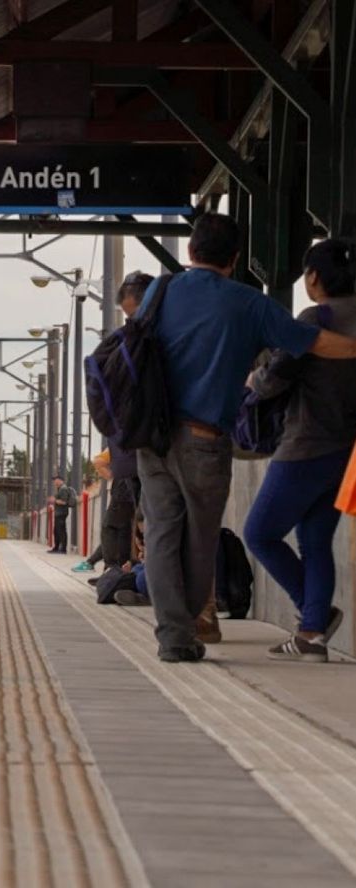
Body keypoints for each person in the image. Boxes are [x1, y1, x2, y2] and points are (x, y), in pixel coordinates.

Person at [135, 213, 356, 663]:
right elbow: (310, 342)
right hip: (209, 438)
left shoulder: (159, 290)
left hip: (153, 436)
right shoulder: (249, 302)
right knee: (202, 539)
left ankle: (174, 635)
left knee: (163, 535)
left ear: (192, 250)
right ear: (235, 259)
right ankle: (302, 628)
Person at [242, 240, 356, 662]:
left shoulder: (316, 318)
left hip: (305, 446)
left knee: (259, 533)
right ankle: (310, 637)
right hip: (345, 454)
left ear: (313, 278)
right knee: (314, 540)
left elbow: (274, 380)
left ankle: (317, 615)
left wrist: (254, 380)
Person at [73, 272, 152, 575]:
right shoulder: (127, 343)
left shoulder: (126, 343)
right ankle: (129, 577)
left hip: (143, 450)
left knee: (144, 521)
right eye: (130, 314)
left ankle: (131, 577)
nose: (134, 319)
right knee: (141, 522)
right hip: (135, 452)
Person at [47, 474, 76, 554]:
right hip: (59, 513)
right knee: (56, 531)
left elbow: (64, 502)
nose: (54, 482)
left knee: (61, 531)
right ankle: (56, 548)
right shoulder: (60, 489)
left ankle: (63, 549)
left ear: (60, 480)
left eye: (56, 480)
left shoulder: (63, 489)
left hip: (61, 513)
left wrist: (54, 500)